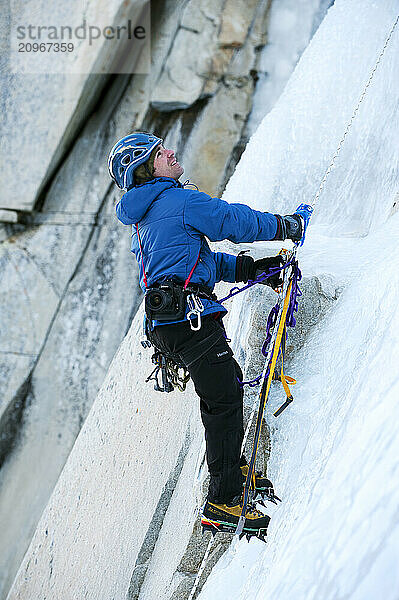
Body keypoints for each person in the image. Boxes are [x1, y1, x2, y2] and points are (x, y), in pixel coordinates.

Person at [108, 132, 304, 536]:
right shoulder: (177, 202)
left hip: (170, 322)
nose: (171, 152)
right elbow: (232, 221)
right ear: (147, 169)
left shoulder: (147, 217)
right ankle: (223, 500)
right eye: (160, 153)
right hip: (189, 317)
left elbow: (199, 263)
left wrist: (253, 270)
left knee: (223, 392)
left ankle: (231, 473)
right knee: (224, 398)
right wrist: (288, 226)